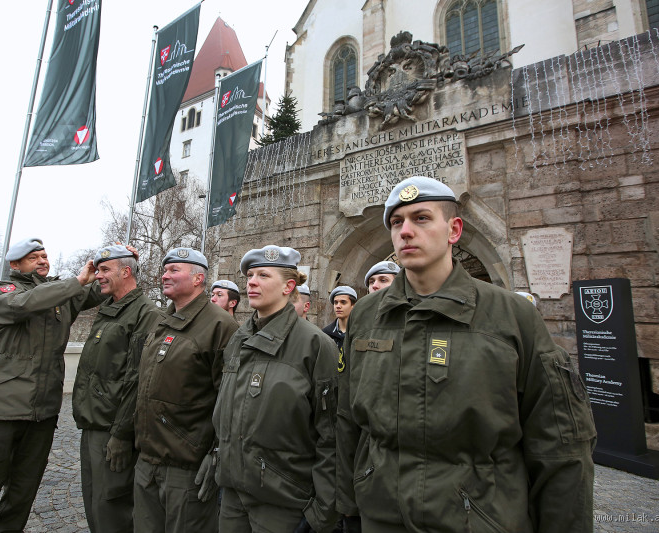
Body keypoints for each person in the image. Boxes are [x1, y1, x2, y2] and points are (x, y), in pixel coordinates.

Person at [337, 176, 596, 532]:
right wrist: (350, 508)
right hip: (382, 514)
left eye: (421, 218)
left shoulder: (512, 316)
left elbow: (559, 441)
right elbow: (349, 420)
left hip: (479, 518)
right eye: (397, 222)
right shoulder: (366, 315)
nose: (406, 231)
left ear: (454, 229)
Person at [0, 237, 106, 532]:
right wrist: (75, 281)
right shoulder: (4, 291)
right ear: (15, 265)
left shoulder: (59, 295)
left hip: (42, 414)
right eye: (34, 257)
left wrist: (119, 262)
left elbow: (101, 289)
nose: (43, 260)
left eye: (45, 255)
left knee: (22, 495)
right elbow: (26, 303)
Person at [213, 245, 339, 533]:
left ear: (288, 286)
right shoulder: (238, 338)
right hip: (232, 494)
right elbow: (224, 410)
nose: (252, 282)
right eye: (250, 275)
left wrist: (322, 511)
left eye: (263, 275)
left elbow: (331, 434)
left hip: (284, 501)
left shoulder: (315, 344)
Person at [133, 247, 238, 533]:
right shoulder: (160, 320)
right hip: (147, 458)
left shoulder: (221, 325)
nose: (164, 275)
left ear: (198, 279)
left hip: (186, 466)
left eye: (173, 270)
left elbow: (227, 398)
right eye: (165, 270)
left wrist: (216, 454)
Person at [72, 245, 160, 533]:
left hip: (112, 429)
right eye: (97, 270)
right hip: (93, 422)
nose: (98, 276)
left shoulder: (144, 313)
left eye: (105, 269)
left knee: (112, 509)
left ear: (126, 272)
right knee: (95, 503)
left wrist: (121, 434)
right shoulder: (111, 308)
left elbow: (138, 380)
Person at [321, 285, 357, 354]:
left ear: (353, 306)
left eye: (343, 302)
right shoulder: (326, 334)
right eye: (336, 302)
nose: (338, 306)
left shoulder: (360, 332)